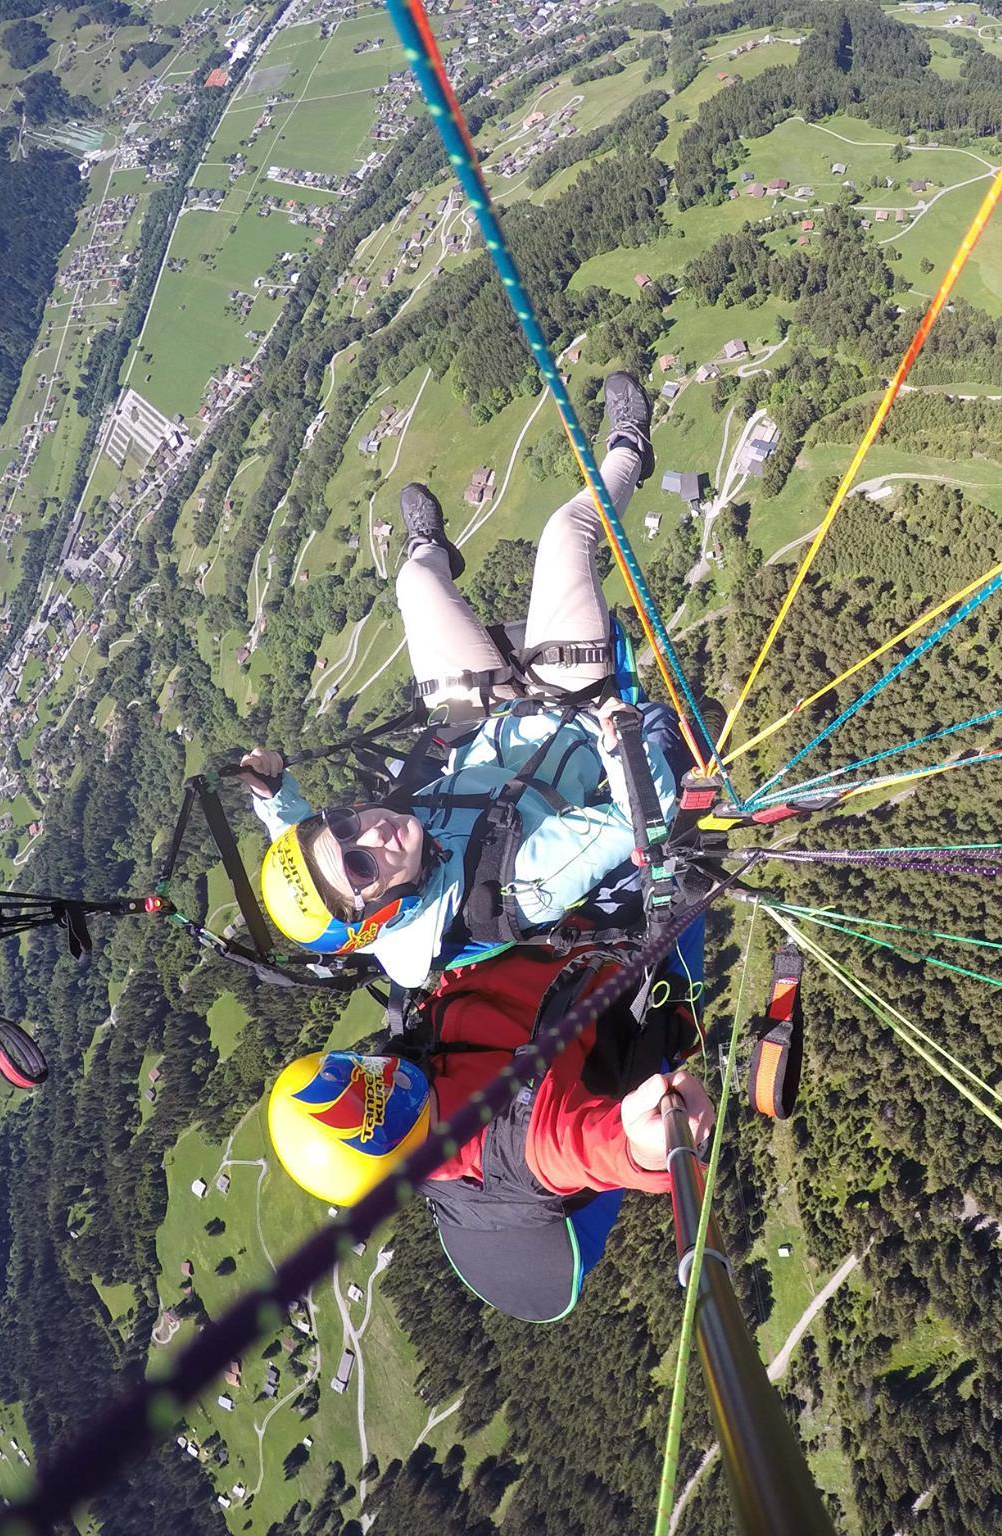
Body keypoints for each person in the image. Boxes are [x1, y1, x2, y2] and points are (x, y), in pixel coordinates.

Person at [234, 371, 681, 990]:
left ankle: (429, 548)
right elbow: (645, 823)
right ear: (380, 915)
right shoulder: (520, 879)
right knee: (564, 537)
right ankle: (631, 445)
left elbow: (299, 841)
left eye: (343, 824)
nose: (371, 830)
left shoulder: (359, 865)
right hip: (571, 715)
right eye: (363, 864)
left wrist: (270, 793)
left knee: (415, 583)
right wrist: (618, 743)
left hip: (478, 725)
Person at [267, 937, 716, 1321]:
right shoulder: (517, 1142)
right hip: (641, 955)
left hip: (570, 927)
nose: (379, 1075)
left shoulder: (421, 1048)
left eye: (351, 1070)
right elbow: (591, 1146)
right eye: (373, 1102)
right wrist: (650, 1147)